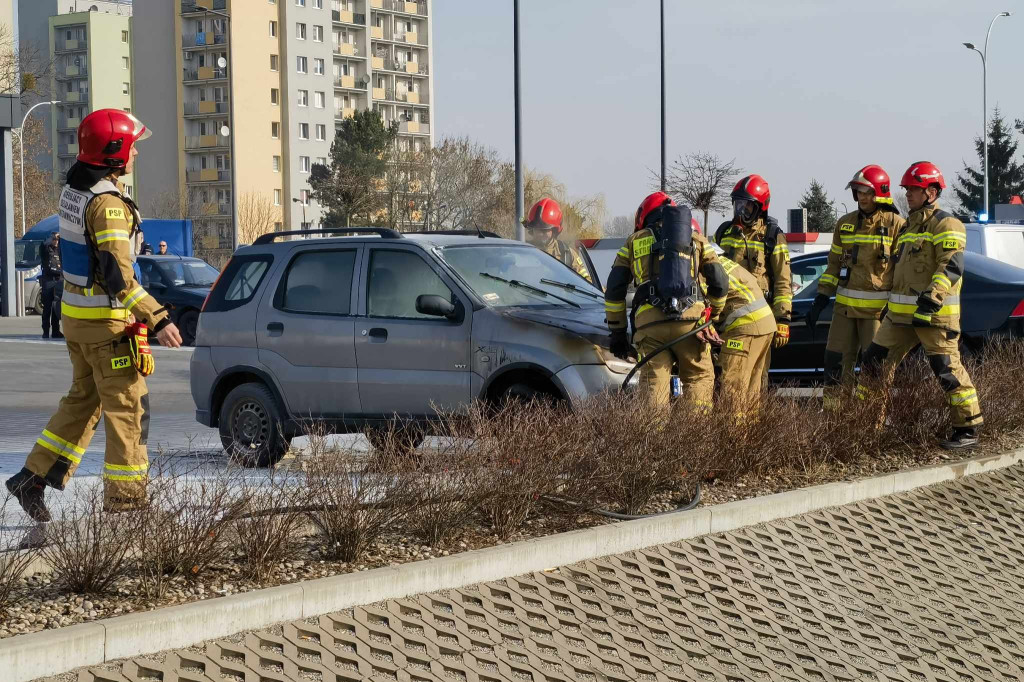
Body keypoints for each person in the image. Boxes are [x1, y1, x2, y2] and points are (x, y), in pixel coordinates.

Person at [5, 109, 183, 523]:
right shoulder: (108, 206)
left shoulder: (77, 191)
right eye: (132, 145)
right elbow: (119, 275)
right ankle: (127, 507)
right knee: (128, 410)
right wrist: (158, 318)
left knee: (83, 402)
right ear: (115, 152)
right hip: (107, 326)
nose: (136, 151)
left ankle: (31, 477)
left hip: (78, 322)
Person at [855, 161, 982, 449]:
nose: (908, 193)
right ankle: (864, 427)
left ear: (932, 192)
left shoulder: (947, 224)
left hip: (933, 316)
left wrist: (932, 298)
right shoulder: (909, 225)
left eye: (914, 188)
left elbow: (951, 265)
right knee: (873, 363)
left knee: (946, 369)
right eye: (907, 188)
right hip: (899, 317)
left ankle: (968, 428)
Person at [605, 192, 728, 408]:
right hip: (692, 325)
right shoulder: (696, 238)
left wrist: (617, 333)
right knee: (698, 379)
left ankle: (656, 439)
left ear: (644, 216)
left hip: (651, 325)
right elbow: (719, 281)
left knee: (654, 384)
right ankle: (697, 438)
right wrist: (712, 317)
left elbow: (615, 289)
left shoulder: (634, 241)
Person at [808, 165, 905, 410]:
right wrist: (820, 299)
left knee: (874, 369)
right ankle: (835, 421)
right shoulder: (845, 223)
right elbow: (832, 266)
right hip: (844, 311)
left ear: (880, 193)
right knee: (835, 364)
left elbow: (902, 272)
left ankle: (870, 424)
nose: (861, 197)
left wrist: (895, 310)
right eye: (858, 191)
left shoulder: (897, 225)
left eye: (866, 192)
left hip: (877, 313)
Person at [714, 175, 793, 374]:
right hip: (726, 315)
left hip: (759, 317)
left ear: (760, 207)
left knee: (757, 374)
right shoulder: (725, 232)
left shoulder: (772, 237)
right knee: (726, 373)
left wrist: (783, 319)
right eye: (738, 204)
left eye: (747, 205)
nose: (741, 210)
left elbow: (783, 281)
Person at [713, 257, 777, 416]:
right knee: (751, 389)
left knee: (731, 386)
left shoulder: (704, 266)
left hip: (744, 328)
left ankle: (733, 435)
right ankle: (750, 434)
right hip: (765, 325)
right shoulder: (725, 262)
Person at [524, 197, 592, 283]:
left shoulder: (567, 254)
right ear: (532, 229)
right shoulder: (522, 251)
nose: (541, 234)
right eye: (538, 230)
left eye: (545, 230)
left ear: (554, 230)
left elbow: (587, 283)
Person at [38, 232, 64, 339]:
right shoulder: (45, 249)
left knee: (56, 307)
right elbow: (44, 243)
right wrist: (52, 236)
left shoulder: (60, 250)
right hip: (48, 281)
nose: (56, 242)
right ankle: (45, 331)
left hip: (59, 280)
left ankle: (55, 331)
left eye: (57, 240)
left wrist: (61, 238)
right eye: (54, 239)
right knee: (47, 307)